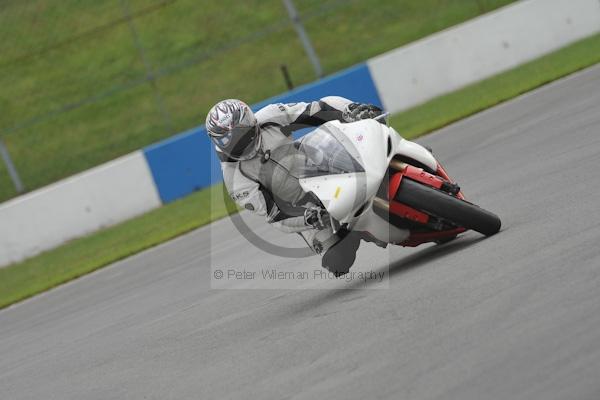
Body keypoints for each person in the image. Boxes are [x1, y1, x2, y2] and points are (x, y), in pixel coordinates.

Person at [206, 97, 382, 275]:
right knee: (338, 261)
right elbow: (276, 215)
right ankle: (356, 231)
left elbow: (315, 109)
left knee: (367, 161)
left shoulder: (270, 117)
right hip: (303, 207)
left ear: (251, 122)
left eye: (240, 135)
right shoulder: (235, 179)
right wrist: (308, 217)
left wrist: (348, 110)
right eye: (227, 140)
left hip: (321, 167)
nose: (237, 144)